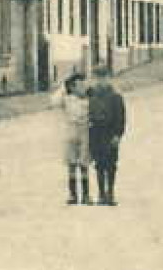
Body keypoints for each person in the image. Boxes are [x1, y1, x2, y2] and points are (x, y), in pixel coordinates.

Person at [86, 67, 127, 206]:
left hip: (110, 133)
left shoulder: (116, 96)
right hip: (96, 133)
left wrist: (117, 135)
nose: (101, 81)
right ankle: (101, 193)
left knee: (111, 164)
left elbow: (121, 118)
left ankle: (110, 192)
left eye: (103, 77)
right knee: (99, 164)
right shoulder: (91, 95)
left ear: (109, 78)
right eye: (98, 77)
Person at [53, 72, 92, 205]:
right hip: (71, 133)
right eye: (78, 85)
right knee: (71, 164)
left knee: (84, 163)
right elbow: (54, 101)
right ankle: (73, 195)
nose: (82, 88)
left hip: (85, 132)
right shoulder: (67, 99)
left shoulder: (89, 99)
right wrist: (63, 87)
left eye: (83, 85)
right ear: (73, 87)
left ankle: (86, 195)